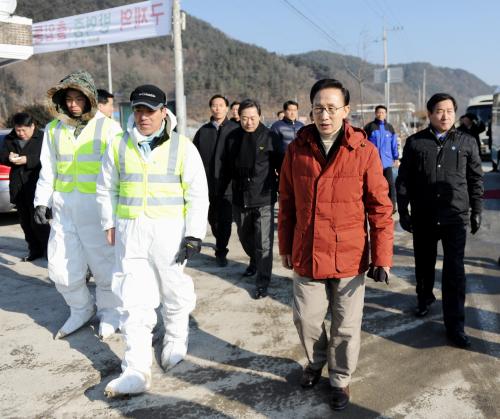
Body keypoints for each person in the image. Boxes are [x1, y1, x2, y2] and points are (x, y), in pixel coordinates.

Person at [278, 79, 393, 411]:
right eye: (318, 108)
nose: (324, 115)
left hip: (350, 255)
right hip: (307, 252)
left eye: (331, 108)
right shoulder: (296, 149)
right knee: (306, 319)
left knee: (346, 326)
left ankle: (340, 379)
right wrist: (285, 246)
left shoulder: (363, 150)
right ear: (310, 110)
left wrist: (382, 257)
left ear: (346, 111)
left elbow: (380, 208)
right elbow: (286, 202)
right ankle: (315, 363)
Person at [97, 84, 209, 397]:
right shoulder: (118, 145)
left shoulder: (182, 146)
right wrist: (108, 222)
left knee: (173, 290)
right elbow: (106, 187)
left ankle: (175, 338)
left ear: (163, 111)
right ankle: (136, 369)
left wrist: (194, 234)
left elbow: (198, 193)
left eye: (150, 110)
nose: (143, 116)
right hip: (130, 232)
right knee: (131, 299)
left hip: (169, 232)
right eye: (138, 110)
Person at [34, 70, 122, 340]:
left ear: (89, 99)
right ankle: (81, 309)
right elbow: (47, 168)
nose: (73, 104)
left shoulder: (108, 128)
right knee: (60, 268)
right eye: (68, 98)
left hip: (97, 209)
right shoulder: (53, 129)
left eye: (78, 98)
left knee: (104, 265)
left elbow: (119, 170)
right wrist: (41, 200)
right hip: (64, 209)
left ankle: (110, 312)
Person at [396, 93, 483, 348]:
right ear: (430, 114)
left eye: (449, 111)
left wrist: (476, 209)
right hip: (424, 215)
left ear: (455, 113)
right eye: (439, 111)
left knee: (454, 270)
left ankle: (455, 325)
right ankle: (424, 298)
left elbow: (475, 179)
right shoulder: (415, 143)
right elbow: (404, 181)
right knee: (424, 262)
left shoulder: (467, 142)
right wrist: (403, 211)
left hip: (455, 216)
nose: (444, 116)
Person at [219, 99, 281, 299]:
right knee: (245, 237)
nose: (249, 122)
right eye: (244, 118)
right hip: (239, 196)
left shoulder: (270, 137)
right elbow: (226, 167)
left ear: (260, 116)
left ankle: (263, 281)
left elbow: (282, 165)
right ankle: (254, 261)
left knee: (264, 242)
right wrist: (221, 191)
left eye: (253, 118)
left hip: (263, 197)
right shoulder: (232, 138)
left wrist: (282, 189)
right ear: (239, 117)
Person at [193, 94, 238, 266]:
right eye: (214, 105)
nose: (217, 108)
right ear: (210, 108)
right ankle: (220, 241)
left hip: (227, 184)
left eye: (221, 105)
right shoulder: (203, 131)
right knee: (212, 218)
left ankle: (221, 250)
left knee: (225, 219)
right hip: (207, 184)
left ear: (227, 108)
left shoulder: (235, 130)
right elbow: (194, 157)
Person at [0, 112, 50, 261]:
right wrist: (8, 158)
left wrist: (28, 160)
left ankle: (49, 250)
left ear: (32, 126)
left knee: (39, 222)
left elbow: (47, 159)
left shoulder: (42, 138)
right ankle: (34, 250)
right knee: (26, 223)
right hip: (18, 186)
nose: (20, 133)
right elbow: (2, 155)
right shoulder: (10, 138)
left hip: (36, 186)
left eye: (24, 130)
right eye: (18, 130)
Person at [364, 105, 399, 211]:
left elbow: (394, 144)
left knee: (390, 184)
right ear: (375, 113)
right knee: (374, 185)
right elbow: (364, 143)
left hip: (387, 162)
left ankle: (392, 206)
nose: (381, 114)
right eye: (379, 112)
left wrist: (396, 157)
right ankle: (374, 206)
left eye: (383, 112)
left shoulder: (390, 128)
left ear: (386, 114)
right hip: (373, 162)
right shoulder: (369, 127)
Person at [271, 100, 305, 169]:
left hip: (300, 163)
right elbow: (272, 148)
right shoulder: (277, 126)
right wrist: (274, 166)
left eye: (295, 110)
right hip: (283, 164)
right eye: (290, 110)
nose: (292, 113)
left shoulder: (301, 126)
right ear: (284, 111)